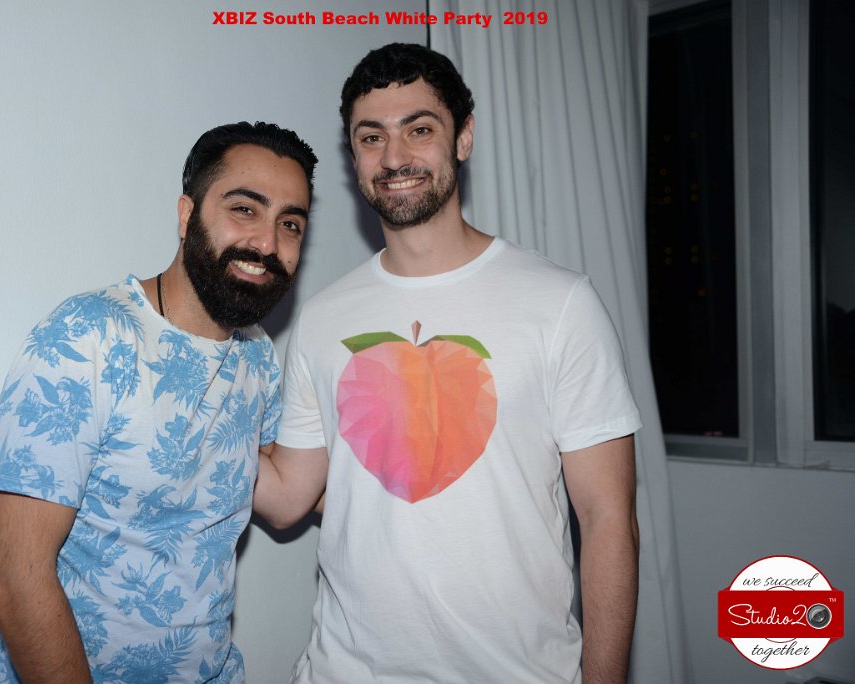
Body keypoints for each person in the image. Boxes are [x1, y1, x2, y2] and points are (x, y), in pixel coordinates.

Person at [254, 44, 640, 684]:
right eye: (371, 137)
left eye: (419, 130)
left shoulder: (561, 303)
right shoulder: (321, 318)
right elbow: (288, 497)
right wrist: (197, 399)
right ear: (354, 158)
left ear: (463, 138)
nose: (394, 157)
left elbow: (608, 519)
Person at [0, 121, 317, 683]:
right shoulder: (87, 336)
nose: (267, 243)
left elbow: (284, 495)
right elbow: (13, 577)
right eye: (244, 209)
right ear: (187, 215)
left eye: (290, 224)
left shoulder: (256, 355)